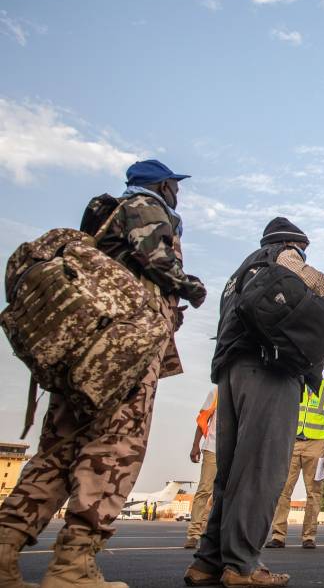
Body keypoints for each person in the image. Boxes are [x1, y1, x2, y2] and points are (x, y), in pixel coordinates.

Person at [0, 160, 205, 588]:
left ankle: (4, 550)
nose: (177, 195)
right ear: (163, 185)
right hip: (121, 356)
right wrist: (188, 285)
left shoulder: (102, 222)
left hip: (82, 357)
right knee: (115, 451)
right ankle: (73, 568)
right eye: (174, 187)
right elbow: (156, 256)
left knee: (55, 455)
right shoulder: (147, 209)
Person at [184, 218, 324, 587]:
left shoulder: (239, 274)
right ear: (292, 243)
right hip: (269, 369)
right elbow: (313, 279)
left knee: (231, 474)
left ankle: (207, 562)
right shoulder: (282, 255)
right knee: (262, 470)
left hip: (230, 371)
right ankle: (243, 566)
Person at [266, 378, 324, 549]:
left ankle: (309, 536)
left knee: (314, 491)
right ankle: (278, 535)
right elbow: (282, 413)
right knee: (283, 489)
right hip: (291, 442)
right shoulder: (293, 383)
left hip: (317, 444)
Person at [184, 388, 219, 549]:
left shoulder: (249, 390)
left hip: (236, 450)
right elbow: (203, 419)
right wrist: (195, 445)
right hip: (213, 447)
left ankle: (212, 532)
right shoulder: (217, 391)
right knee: (204, 489)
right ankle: (193, 533)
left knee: (226, 492)